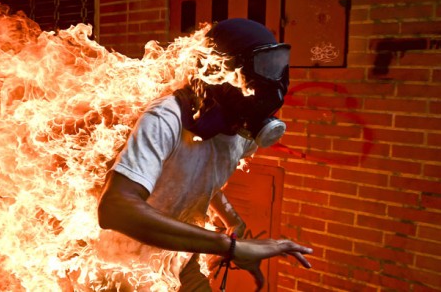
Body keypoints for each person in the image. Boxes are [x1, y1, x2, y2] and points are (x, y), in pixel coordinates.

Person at [98, 18, 312, 291]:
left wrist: (232, 219)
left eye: (278, 66)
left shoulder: (242, 133)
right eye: (264, 66)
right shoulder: (167, 118)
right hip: (124, 270)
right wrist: (231, 247)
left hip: (179, 260)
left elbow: (198, 177)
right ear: (220, 71)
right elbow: (115, 208)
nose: (274, 80)